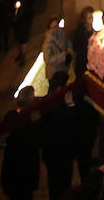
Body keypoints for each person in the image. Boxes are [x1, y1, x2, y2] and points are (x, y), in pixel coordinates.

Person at [1, 86, 41, 200]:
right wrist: (35, 125)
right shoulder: (31, 119)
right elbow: (33, 143)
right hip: (24, 173)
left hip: (12, 172)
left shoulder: (10, 116)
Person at [41, 72, 76, 200]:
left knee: (54, 186)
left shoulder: (46, 100)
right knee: (62, 187)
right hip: (60, 155)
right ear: (60, 88)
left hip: (51, 156)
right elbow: (67, 125)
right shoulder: (57, 107)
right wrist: (70, 106)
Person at [11, 0, 33, 68]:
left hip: (24, 20)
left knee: (24, 38)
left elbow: (29, 5)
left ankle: (23, 55)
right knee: (17, 38)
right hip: (15, 20)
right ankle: (20, 53)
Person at [42, 16, 72, 81]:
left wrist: (69, 49)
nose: (56, 29)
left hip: (63, 68)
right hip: (54, 72)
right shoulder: (47, 43)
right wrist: (63, 55)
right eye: (53, 27)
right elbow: (47, 59)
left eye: (56, 26)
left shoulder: (62, 33)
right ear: (49, 29)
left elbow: (68, 41)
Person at [72, 6, 95, 77]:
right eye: (89, 18)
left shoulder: (97, 29)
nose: (92, 20)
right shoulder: (79, 32)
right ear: (85, 20)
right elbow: (76, 47)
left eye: (92, 17)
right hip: (82, 64)